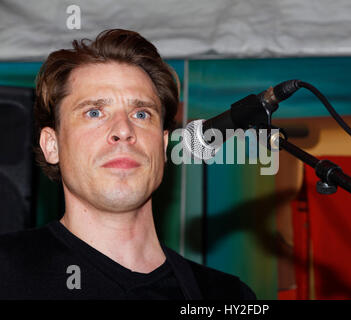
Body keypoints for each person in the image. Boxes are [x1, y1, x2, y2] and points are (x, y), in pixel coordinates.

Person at [0, 29, 256, 300]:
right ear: (52, 145)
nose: (123, 130)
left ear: (163, 144)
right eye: (95, 112)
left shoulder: (227, 296)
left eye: (141, 114)